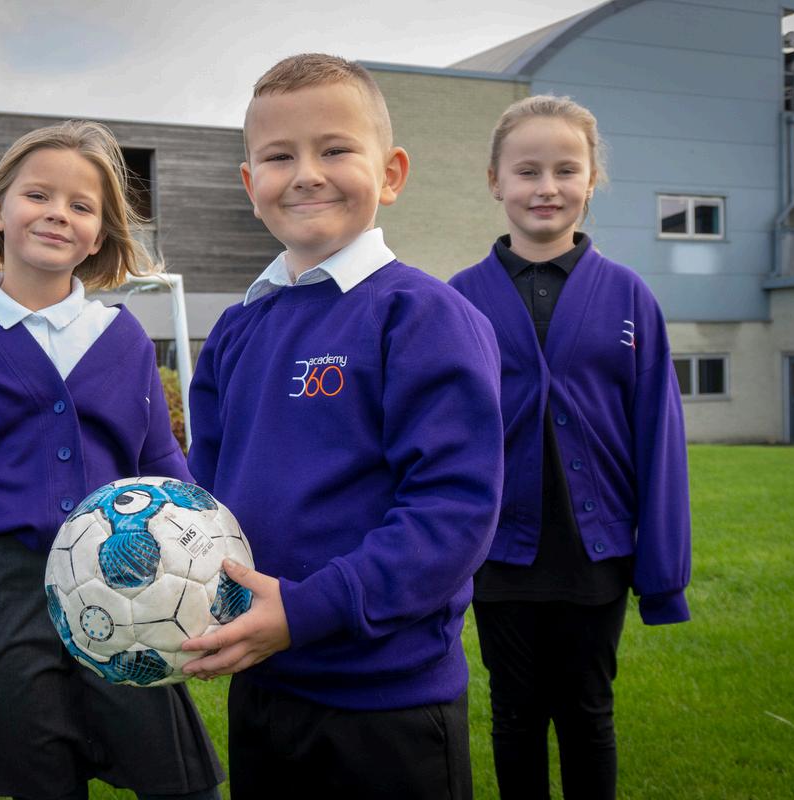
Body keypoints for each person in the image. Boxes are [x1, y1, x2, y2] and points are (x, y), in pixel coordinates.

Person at [181, 53, 504, 799]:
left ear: (390, 174)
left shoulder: (422, 316)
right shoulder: (235, 330)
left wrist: (306, 610)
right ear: (249, 185)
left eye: (334, 150)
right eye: (279, 157)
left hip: (387, 702)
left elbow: (452, 513)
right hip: (263, 683)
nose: (306, 175)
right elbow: (207, 499)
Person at [0, 120, 223, 800]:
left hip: (128, 581)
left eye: (80, 205)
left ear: (98, 236)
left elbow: (160, 463)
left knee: (183, 782)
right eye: (38, 195)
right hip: (2, 595)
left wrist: (208, 566)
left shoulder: (124, 339)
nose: (58, 213)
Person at [448, 95, 692, 800]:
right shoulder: (456, 301)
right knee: (514, 714)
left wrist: (663, 571)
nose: (546, 187)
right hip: (498, 555)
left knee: (588, 714)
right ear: (495, 180)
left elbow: (659, 434)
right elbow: (437, 438)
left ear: (592, 180)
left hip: (595, 555)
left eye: (565, 170)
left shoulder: (629, 297)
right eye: (527, 171)